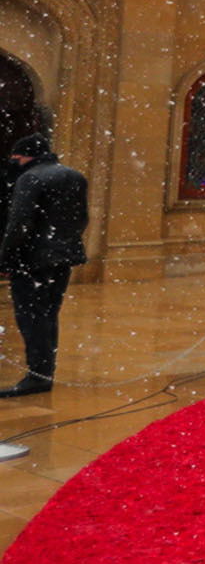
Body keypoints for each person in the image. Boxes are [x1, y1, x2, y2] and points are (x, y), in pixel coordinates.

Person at [0, 133, 86, 396]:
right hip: (62, 258)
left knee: (31, 317)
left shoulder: (30, 178)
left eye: (16, 157)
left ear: (26, 156)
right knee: (48, 314)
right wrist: (64, 245)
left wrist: (6, 259)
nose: (14, 162)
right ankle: (45, 372)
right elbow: (82, 218)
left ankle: (38, 376)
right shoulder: (74, 176)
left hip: (32, 260)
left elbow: (20, 224)